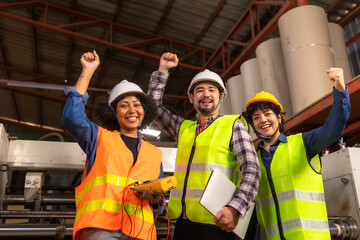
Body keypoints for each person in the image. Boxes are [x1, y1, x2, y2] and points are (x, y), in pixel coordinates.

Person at [148, 52, 260, 240]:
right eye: (199, 90)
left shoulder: (234, 126)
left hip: (218, 223)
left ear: (221, 97)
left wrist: (235, 208)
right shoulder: (183, 128)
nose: (206, 94)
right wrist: (163, 70)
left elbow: (252, 170)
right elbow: (153, 108)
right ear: (191, 98)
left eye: (212, 90)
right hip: (183, 224)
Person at [62, 50, 164, 240]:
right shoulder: (98, 137)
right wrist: (87, 71)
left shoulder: (155, 153)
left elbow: (158, 201)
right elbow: (72, 118)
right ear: (114, 113)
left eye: (136, 104)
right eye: (124, 105)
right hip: (101, 229)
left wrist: (155, 199)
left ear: (145, 110)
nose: (132, 110)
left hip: (141, 232)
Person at [244, 68, 351, 240]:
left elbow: (334, 128)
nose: (262, 120)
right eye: (256, 117)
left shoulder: (304, 143)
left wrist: (339, 88)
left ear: (279, 118)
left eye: (267, 114)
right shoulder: (252, 159)